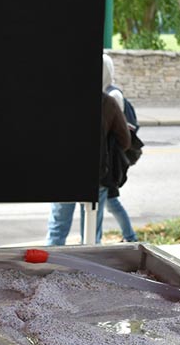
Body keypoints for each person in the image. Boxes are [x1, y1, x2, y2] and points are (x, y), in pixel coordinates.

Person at [45, 57, 131, 246]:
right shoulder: (108, 103)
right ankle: (89, 272)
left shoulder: (62, 97)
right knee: (91, 234)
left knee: (57, 230)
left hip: (63, 173)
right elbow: (125, 141)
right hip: (97, 174)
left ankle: (47, 269)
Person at [102, 54, 139, 242]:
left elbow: (119, 132)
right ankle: (130, 236)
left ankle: (131, 237)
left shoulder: (112, 95)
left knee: (110, 202)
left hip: (109, 160)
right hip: (106, 160)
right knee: (110, 202)